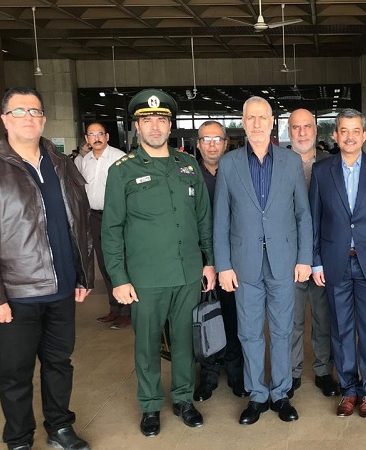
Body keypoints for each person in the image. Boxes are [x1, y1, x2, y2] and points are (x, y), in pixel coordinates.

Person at [0, 87, 94, 450]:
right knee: (15, 372)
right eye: (19, 111)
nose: (28, 117)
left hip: (62, 288)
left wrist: (82, 274)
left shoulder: (61, 164)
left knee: (59, 363)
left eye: (35, 111)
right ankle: (19, 438)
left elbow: (79, 222)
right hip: (17, 294)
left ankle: (60, 427)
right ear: (4, 119)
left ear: (44, 119)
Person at [101, 89, 215, 437]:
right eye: (147, 120)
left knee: (184, 341)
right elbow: (111, 229)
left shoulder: (188, 165)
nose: (155, 126)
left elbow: (203, 219)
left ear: (170, 125)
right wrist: (118, 277)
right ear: (137, 126)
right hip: (146, 277)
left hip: (187, 272)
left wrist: (209, 262)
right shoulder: (122, 171)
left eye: (161, 120)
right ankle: (150, 405)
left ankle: (183, 399)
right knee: (147, 344)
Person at [213, 96, 312, 425]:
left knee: (283, 330)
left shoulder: (290, 162)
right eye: (250, 118)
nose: (256, 123)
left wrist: (304, 258)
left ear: (272, 123)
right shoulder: (229, 164)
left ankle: (281, 393)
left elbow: (302, 214)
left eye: (262, 118)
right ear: (243, 122)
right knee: (250, 332)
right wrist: (223, 265)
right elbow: (221, 219)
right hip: (244, 264)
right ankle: (257, 394)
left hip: (284, 261)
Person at [310, 108, 366, 418]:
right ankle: (348, 390)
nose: (349, 136)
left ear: (364, 135)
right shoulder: (321, 172)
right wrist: (316, 262)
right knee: (341, 329)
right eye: (343, 131)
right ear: (336, 135)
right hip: (334, 262)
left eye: (355, 131)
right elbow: (314, 220)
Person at [193, 120, 249, 401]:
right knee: (205, 316)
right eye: (206, 139)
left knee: (234, 316)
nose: (212, 144)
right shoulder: (189, 174)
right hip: (200, 261)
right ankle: (209, 373)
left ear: (226, 144)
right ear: (198, 144)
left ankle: (236, 373)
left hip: (232, 260)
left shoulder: (238, 171)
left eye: (217, 139)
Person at [286, 108, 340, 399]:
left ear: (316, 130)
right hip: (288, 257)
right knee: (291, 320)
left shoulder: (332, 164)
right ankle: (292, 372)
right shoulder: (278, 163)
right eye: (296, 127)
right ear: (289, 132)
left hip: (322, 257)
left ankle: (323, 371)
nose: (302, 132)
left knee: (323, 318)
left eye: (307, 126)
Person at [74, 122, 128, 329]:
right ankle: (115, 308)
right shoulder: (84, 161)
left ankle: (127, 311)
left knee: (119, 263)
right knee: (104, 264)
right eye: (91, 134)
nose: (96, 138)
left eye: (100, 134)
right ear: (87, 139)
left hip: (116, 218)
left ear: (107, 136)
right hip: (94, 218)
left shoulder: (119, 158)